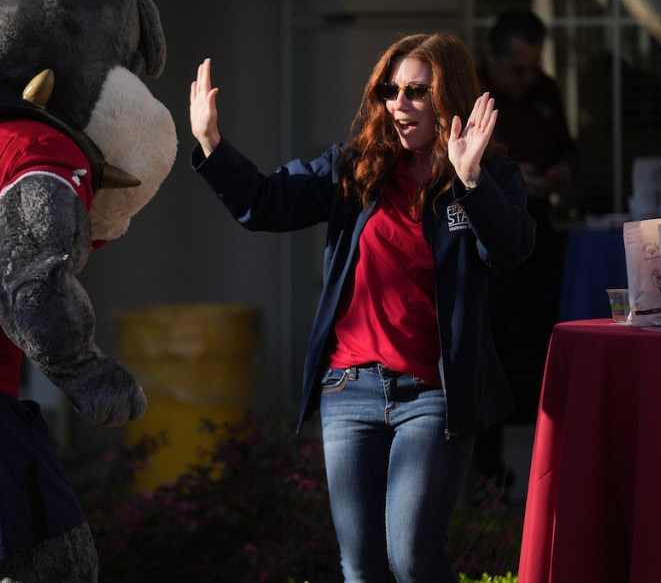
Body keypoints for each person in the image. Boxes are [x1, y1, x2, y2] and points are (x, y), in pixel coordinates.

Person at [189, 33, 535, 583]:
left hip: (434, 395)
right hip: (350, 392)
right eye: (391, 91)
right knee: (362, 569)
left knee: (413, 559)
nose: (400, 105)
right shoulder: (358, 167)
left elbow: (511, 251)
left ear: (450, 98)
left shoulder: (490, 178)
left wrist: (470, 180)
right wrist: (212, 144)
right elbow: (264, 202)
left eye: (418, 92)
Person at [474, 11, 574, 500]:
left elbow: (568, 150)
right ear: (491, 59)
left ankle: (550, 471)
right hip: (488, 238)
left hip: (537, 233)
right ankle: (486, 473)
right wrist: (510, 180)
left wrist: (557, 173)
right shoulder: (468, 91)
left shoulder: (544, 92)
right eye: (517, 70)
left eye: (533, 69)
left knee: (544, 350)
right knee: (486, 350)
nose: (527, 79)